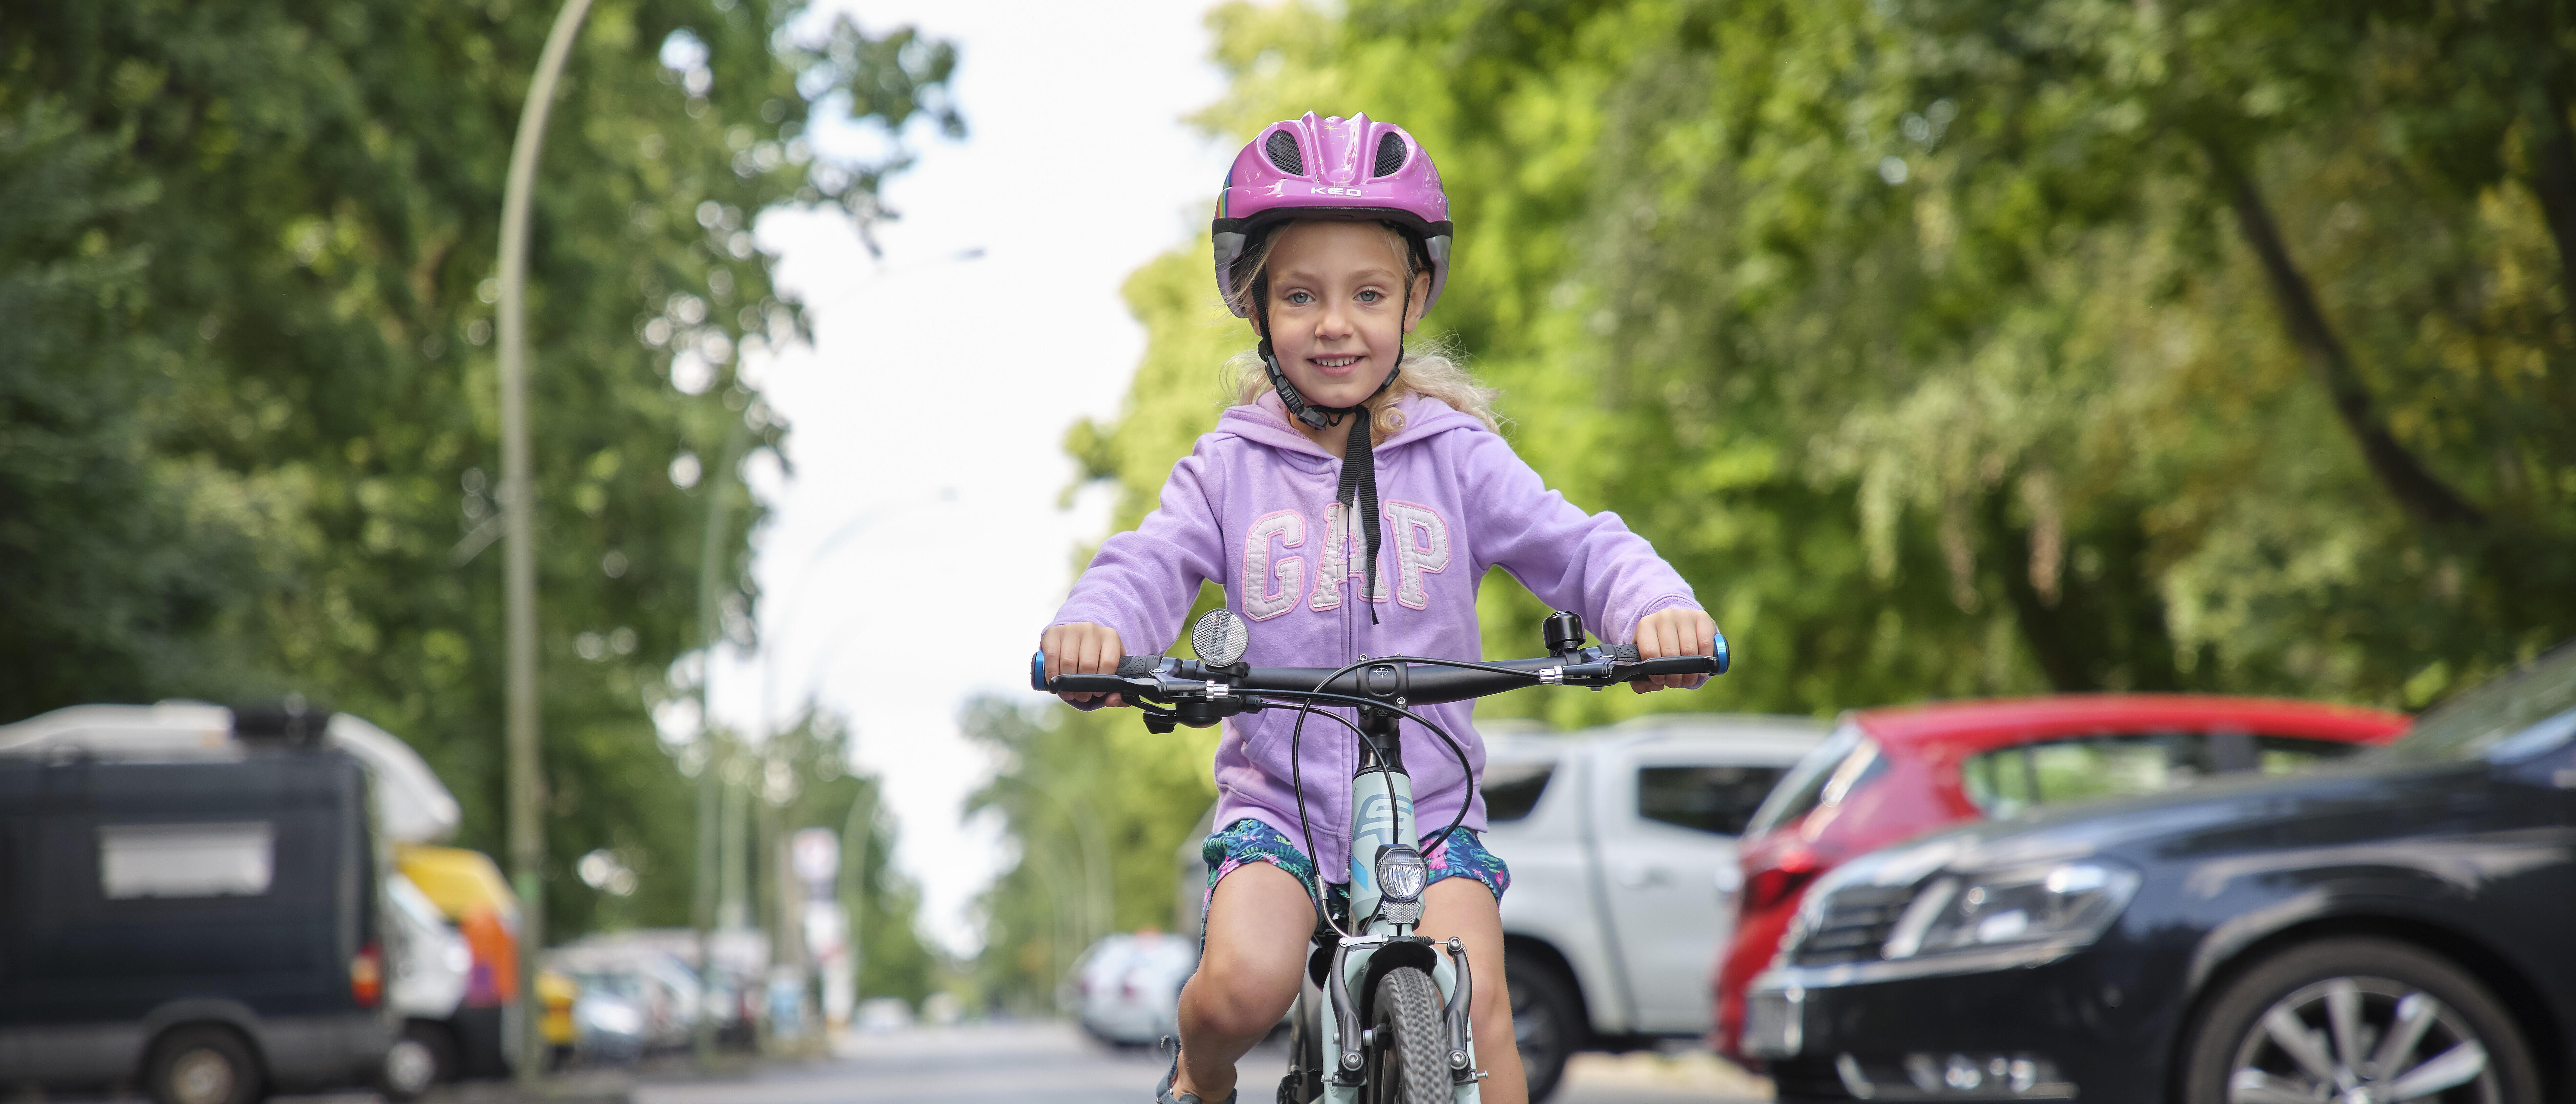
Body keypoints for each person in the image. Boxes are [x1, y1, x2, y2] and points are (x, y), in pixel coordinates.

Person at [1039, 112, 1718, 1104]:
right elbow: (1149, 561)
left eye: (1367, 293)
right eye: (1300, 295)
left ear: (1413, 299)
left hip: (1432, 814)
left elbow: (1574, 545)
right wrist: (1100, 628)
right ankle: (1201, 1071)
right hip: (1282, 809)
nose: (1334, 322)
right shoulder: (1228, 466)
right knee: (1237, 989)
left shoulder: (1458, 456)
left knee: (1483, 1003)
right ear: (1256, 307)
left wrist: (1656, 606)